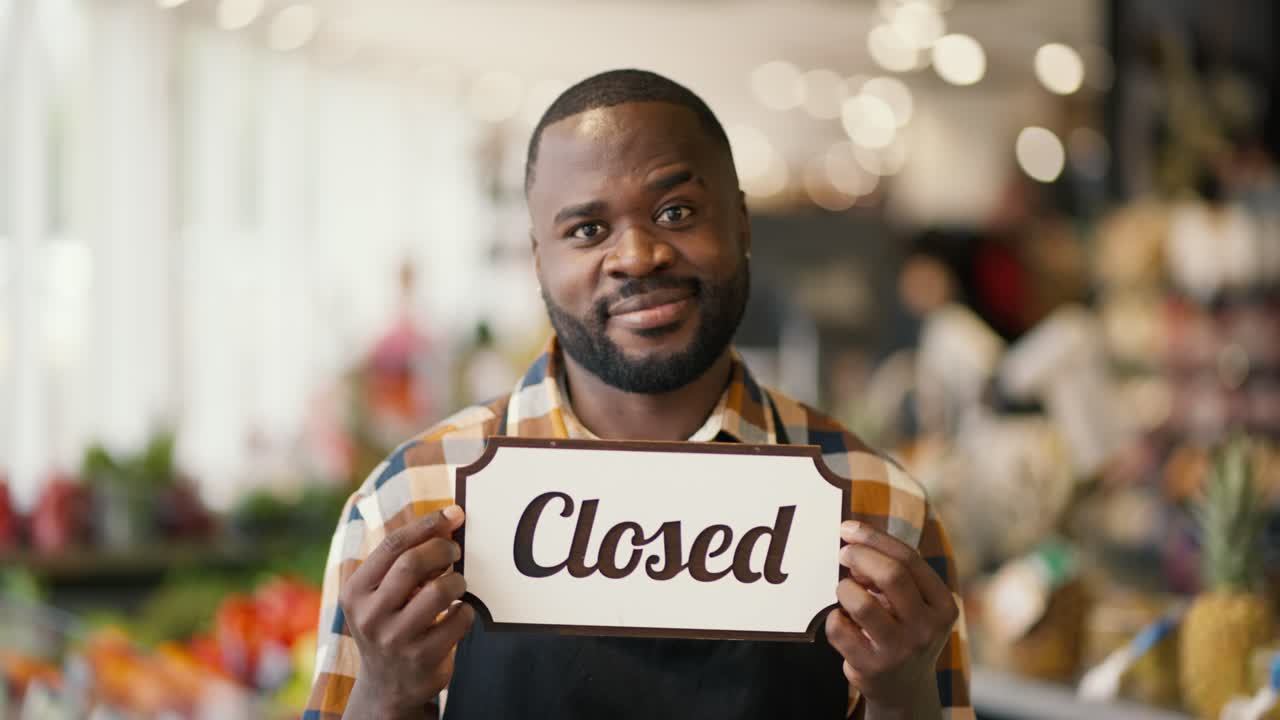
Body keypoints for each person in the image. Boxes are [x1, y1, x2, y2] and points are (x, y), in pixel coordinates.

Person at [305, 69, 972, 720]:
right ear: (539, 261)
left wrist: (902, 698)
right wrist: (386, 694)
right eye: (587, 231)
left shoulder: (883, 510)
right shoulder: (408, 501)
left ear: (741, 225)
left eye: (676, 211)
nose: (637, 255)